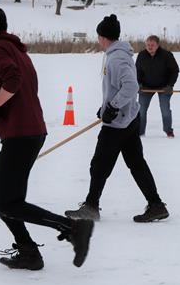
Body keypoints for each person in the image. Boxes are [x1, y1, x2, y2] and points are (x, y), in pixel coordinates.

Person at [0, 6, 94, 271]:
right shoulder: (17, 48)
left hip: (22, 133)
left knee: (9, 201)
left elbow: (12, 81)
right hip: (26, 130)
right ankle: (28, 252)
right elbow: (17, 93)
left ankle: (72, 228)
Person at [65, 15, 169, 223]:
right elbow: (119, 88)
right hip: (127, 119)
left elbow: (131, 87)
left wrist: (112, 107)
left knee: (99, 165)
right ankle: (156, 205)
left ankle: (92, 206)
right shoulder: (118, 55)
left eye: (99, 37)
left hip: (118, 123)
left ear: (104, 37)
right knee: (136, 163)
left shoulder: (117, 58)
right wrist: (105, 107)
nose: (98, 41)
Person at [135, 35, 179, 138]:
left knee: (165, 111)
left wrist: (170, 85)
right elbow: (136, 71)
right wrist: (139, 84)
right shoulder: (141, 55)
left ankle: (168, 131)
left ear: (157, 45)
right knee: (141, 111)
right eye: (148, 45)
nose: (150, 47)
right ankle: (140, 133)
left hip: (164, 87)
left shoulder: (167, 55)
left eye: (152, 45)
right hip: (145, 87)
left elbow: (175, 71)